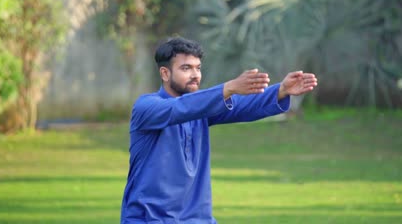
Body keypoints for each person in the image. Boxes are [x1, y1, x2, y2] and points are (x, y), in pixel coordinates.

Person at [120, 37, 318, 224]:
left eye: (198, 68)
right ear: (165, 73)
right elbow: (179, 108)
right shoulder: (146, 107)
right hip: (149, 219)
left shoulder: (202, 110)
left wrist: (281, 90)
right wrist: (229, 87)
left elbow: (241, 105)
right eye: (186, 68)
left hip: (198, 219)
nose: (195, 75)